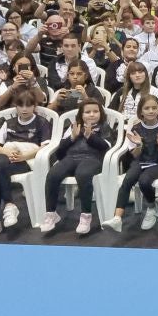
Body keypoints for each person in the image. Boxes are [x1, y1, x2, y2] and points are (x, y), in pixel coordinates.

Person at [0, 86, 54, 239]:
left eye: (28, 105)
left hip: (26, 161)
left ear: (35, 106)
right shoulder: (8, 123)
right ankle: (9, 206)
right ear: (15, 106)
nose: (24, 109)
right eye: (21, 105)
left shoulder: (42, 122)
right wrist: (7, 151)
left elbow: (45, 146)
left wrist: (24, 156)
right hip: (8, 157)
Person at [42, 99, 115, 235]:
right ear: (81, 114)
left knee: (83, 174)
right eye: (87, 112)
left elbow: (106, 147)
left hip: (93, 159)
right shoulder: (73, 127)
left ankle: (86, 215)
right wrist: (72, 138)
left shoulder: (104, 127)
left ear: (101, 113)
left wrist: (90, 136)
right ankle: (51, 213)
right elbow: (59, 151)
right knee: (53, 174)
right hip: (71, 157)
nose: (92, 114)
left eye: (95, 111)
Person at [106, 93, 158, 232]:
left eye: (154, 108)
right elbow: (134, 155)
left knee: (144, 180)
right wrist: (138, 145)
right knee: (128, 180)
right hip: (142, 161)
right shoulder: (136, 128)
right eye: (147, 108)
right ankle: (117, 218)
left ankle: (151, 207)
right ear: (141, 111)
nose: (151, 111)